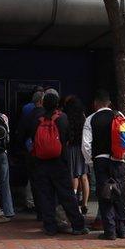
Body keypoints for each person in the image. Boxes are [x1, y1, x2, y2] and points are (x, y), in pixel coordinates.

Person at [27, 92, 88, 236]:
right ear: (57, 105)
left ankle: (50, 227)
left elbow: (32, 139)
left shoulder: (37, 120)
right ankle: (78, 225)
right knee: (67, 196)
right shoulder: (63, 119)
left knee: (46, 196)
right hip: (59, 162)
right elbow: (68, 138)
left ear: (43, 104)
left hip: (41, 163)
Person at [83, 90, 125, 241]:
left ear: (95, 103)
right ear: (109, 103)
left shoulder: (91, 119)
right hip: (118, 160)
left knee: (105, 195)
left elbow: (86, 145)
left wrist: (90, 161)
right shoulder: (119, 115)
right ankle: (122, 230)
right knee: (119, 194)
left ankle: (110, 231)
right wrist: (124, 156)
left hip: (100, 160)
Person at [62, 95, 90, 216]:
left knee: (73, 175)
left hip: (71, 149)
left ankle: (74, 203)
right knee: (84, 176)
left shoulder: (66, 117)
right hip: (82, 149)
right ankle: (85, 204)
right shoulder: (83, 117)